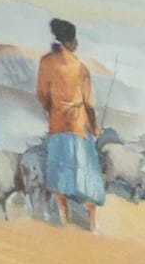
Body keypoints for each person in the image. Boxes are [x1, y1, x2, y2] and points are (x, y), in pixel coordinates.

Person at [32, 17, 102, 231]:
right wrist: (95, 126)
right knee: (86, 175)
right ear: (71, 42)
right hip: (79, 126)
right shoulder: (80, 68)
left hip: (57, 126)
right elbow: (89, 103)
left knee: (60, 175)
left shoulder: (45, 62)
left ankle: (65, 222)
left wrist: (53, 111)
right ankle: (92, 224)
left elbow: (42, 95)